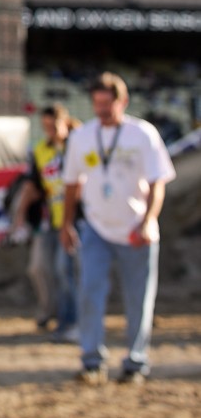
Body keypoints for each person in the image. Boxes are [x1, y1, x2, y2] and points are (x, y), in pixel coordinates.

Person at [61, 72, 175, 385]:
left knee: (139, 298)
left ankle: (136, 362)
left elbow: (157, 183)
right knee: (89, 292)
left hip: (136, 230)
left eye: (107, 104)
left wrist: (148, 220)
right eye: (96, 103)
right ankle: (91, 361)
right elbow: (71, 184)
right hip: (96, 228)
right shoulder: (82, 136)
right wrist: (66, 224)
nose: (101, 110)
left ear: (122, 102)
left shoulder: (143, 134)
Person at [12, 104, 80, 340]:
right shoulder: (41, 150)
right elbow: (32, 186)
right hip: (51, 220)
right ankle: (52, 312)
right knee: (40, 268)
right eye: (45, 127)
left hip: (76, 219)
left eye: (53, 126)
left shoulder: (78, 145)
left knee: (65, 270)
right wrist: (20, 217)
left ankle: (70, 322)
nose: (49, 131)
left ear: (65, 122)